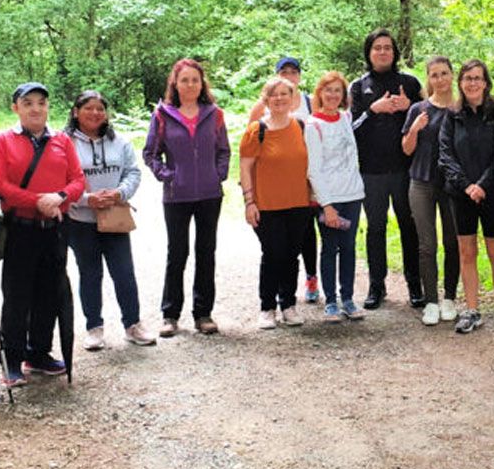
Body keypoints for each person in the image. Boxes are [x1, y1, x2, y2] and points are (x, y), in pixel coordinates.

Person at [0, 83, 86, 386]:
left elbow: (77, 180)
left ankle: (39, 352)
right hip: (21, 228)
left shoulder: (61, 140)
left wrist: (59, 197)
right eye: (28, 103)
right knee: (18, 294)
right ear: (16, 108)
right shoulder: (4, 141)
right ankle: (12, 357)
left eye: (41, 103)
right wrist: (38, 201)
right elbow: (1, 185)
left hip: (55, 229)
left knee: (49, 292)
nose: (36, 108)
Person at [142, 59, 231, 337]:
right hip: (176, 195)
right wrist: (167, 175)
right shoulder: (162, 115)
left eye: (195, 80)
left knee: (207, 253)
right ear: (175, 84)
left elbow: (224, 150)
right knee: (177, 253)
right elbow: (150, 153)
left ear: (202, 83)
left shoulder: (214, 114)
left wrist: (218, 174)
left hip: (209, 194)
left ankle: (203, 314)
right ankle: (170, 315)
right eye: (185, 80)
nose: (190, 85)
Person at [64, 91, 155, 350]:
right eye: (88, 108)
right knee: (90, 274)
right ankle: (94, 328)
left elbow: (132, 172)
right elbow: (61, 180)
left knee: (124, 272)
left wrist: (119, 193)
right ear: (75, 112)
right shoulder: (64, 143)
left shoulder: (119, 142)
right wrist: (85, 199)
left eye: (100, 109)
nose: (95, 113)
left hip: (115, 217)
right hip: (81, 220)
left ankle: (132, 324)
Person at [349, 29, 424, 309]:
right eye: (377, 48)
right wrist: (374, 110)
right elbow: (351, 129)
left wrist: (410, 107)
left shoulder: (409, 82)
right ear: (369, 52)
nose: (383, 52)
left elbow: (426, 120)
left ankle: (414, 285)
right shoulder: (359, 86)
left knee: (409, 226)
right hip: (371, 171)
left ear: (395, 52)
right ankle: (376, 286)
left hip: (406, 170)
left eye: (388, 48)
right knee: (376, 228)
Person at [438, 59, 494, 334]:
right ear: (460, 82)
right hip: (460, 194)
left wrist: (481, 185)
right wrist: (467, 185)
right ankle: (472, 309)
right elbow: (445, 154)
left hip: (492, 192)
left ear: (486, 82)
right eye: (468, 78)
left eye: (478, 78)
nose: (472, 83)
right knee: (466, 251)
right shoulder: (452, 115)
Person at [240, 77, 313, 329]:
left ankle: (288, 305)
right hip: (267, 205)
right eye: (274, 95)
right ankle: (267, 307)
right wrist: (249, 202)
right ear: (267, 100)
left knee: (292, 255)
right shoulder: (256, 131)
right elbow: (245, 167)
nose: (280, 99)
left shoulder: (301, 127)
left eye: (285, 94)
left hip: (298, 203)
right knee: (272, 254)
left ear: (293, 99)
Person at [249, 56, 319, 303]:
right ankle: (269, 303)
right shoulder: (260, 115)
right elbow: (249, 155)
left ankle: (302, 287)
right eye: (284, 71)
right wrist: (249, 197)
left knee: (300, 241)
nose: (289, 75)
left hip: (300, 190)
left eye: (293, 71)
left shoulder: (306, 108)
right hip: (269, 194)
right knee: (273, 249)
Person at [402, 56, 461, 325]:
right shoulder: (419, 109)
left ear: (452, 75)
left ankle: (449, 297)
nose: (440, 79)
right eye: (434, 75)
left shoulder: (461, 109)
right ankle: (431, 302)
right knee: (427, 245)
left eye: (444, 73)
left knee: (453, 242)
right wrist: (414, 129)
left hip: (451, 186)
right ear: (429, 78)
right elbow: (406, 149)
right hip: (421, 182)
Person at [305, 71, 367, 322]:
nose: (332, 95)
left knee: (349, 247)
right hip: (329, 198)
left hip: (353, 194)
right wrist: (327, 205)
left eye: (337, 91)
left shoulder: (345, 117)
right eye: (328, 90)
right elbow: (313, 169)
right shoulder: (312, 126)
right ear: (319, 93)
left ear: (344, 95)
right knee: (329, 248)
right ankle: (331, 301)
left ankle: (348, 299)